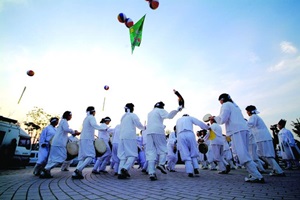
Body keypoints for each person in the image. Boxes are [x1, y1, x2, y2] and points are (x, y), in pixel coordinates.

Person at [210, 93, 264, 183]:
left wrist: (214, 118)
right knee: (245, 153)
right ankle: (254, 173)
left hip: (236, 131)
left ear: (222, 100)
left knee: (242, 154)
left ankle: (257, 175)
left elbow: (223, 119)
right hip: (244, 130)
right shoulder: (235, 106)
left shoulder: (225, 105)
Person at [146, 101, 182, 181]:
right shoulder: (160, 110)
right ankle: (161, 164)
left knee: (151, 152)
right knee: (163, 149)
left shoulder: (150, 113)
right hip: (158, 131)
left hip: (149, 133)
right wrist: (178, 109)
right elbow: (169, 116)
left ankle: (151, 173)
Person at [245, 105, 285, 176]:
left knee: (266, 155)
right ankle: (276, 169)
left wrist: (240, 124)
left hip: (262, 138)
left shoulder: (253, 117)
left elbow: (249, 124)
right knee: (261, 154)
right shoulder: (256, 117)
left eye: (247, 111)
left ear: (250, 111)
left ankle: (278, 170)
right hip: (261, 138)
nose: (247, 113)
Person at [40, 111, 79, 178]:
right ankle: (46, 169)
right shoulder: (64, 121)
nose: (71, 117)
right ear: (68, 115)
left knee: (52, 158)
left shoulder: (62, 121)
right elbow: (66, 129)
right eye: (70, 115)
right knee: (62, 157)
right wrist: (74, 132)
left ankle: (46, 171)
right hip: (59, 144)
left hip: (56, 143)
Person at [72, 106, 107, 179]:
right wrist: (104, 128)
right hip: (88, 139)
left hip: (83, 139)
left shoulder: (86, 118)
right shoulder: (91, 117)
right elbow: (94, 125)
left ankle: (75, 174)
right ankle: (78, 170)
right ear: (93, 112)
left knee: (82, 158)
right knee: (91, 156)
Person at [117, 103, 145, 179]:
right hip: (130, 137)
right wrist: (144, 128)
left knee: (123, 156)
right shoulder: (133, 115)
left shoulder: (123, 117)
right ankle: (125, 168)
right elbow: (139, 125)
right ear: (132, 108)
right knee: (133, 155)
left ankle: (120, 172)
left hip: (122, 137)